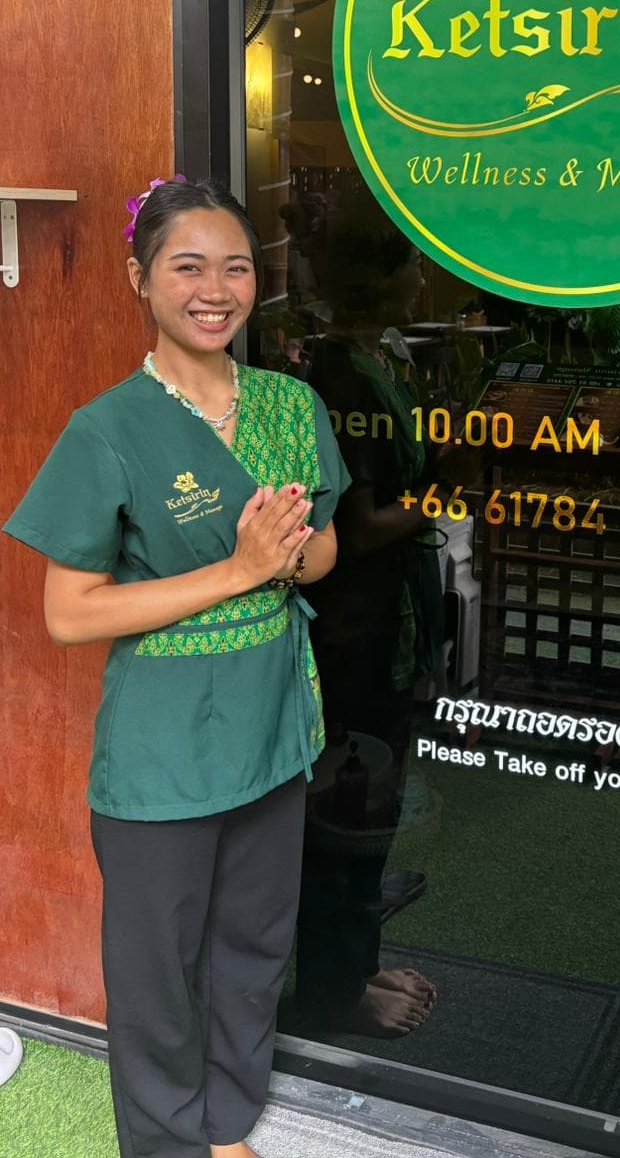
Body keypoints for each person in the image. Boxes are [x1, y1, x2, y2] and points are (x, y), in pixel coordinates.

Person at [2, 177, 350, 1158]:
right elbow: (70, 614)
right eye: (187, 265)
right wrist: (239, 570)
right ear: (139, 280)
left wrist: (286, 555)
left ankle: (228, 1122)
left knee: (251, 945)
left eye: (234, 266)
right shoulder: (107, 429)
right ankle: (164, 1141)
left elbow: (322, 550)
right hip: (162, 748)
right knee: (157, 963)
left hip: (272, 720)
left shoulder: (288, 402)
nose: (215, 287)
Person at [294, 198, 456, 1039]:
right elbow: (355, 528)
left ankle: (353, 961)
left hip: (389, 622)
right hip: (355, 632)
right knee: (350, 808)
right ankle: (336, 988)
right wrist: (448, 493)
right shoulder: (341, 375)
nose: (424, 276)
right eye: (412, 264)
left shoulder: (379, 357)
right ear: (378, 278)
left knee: (371, 804)